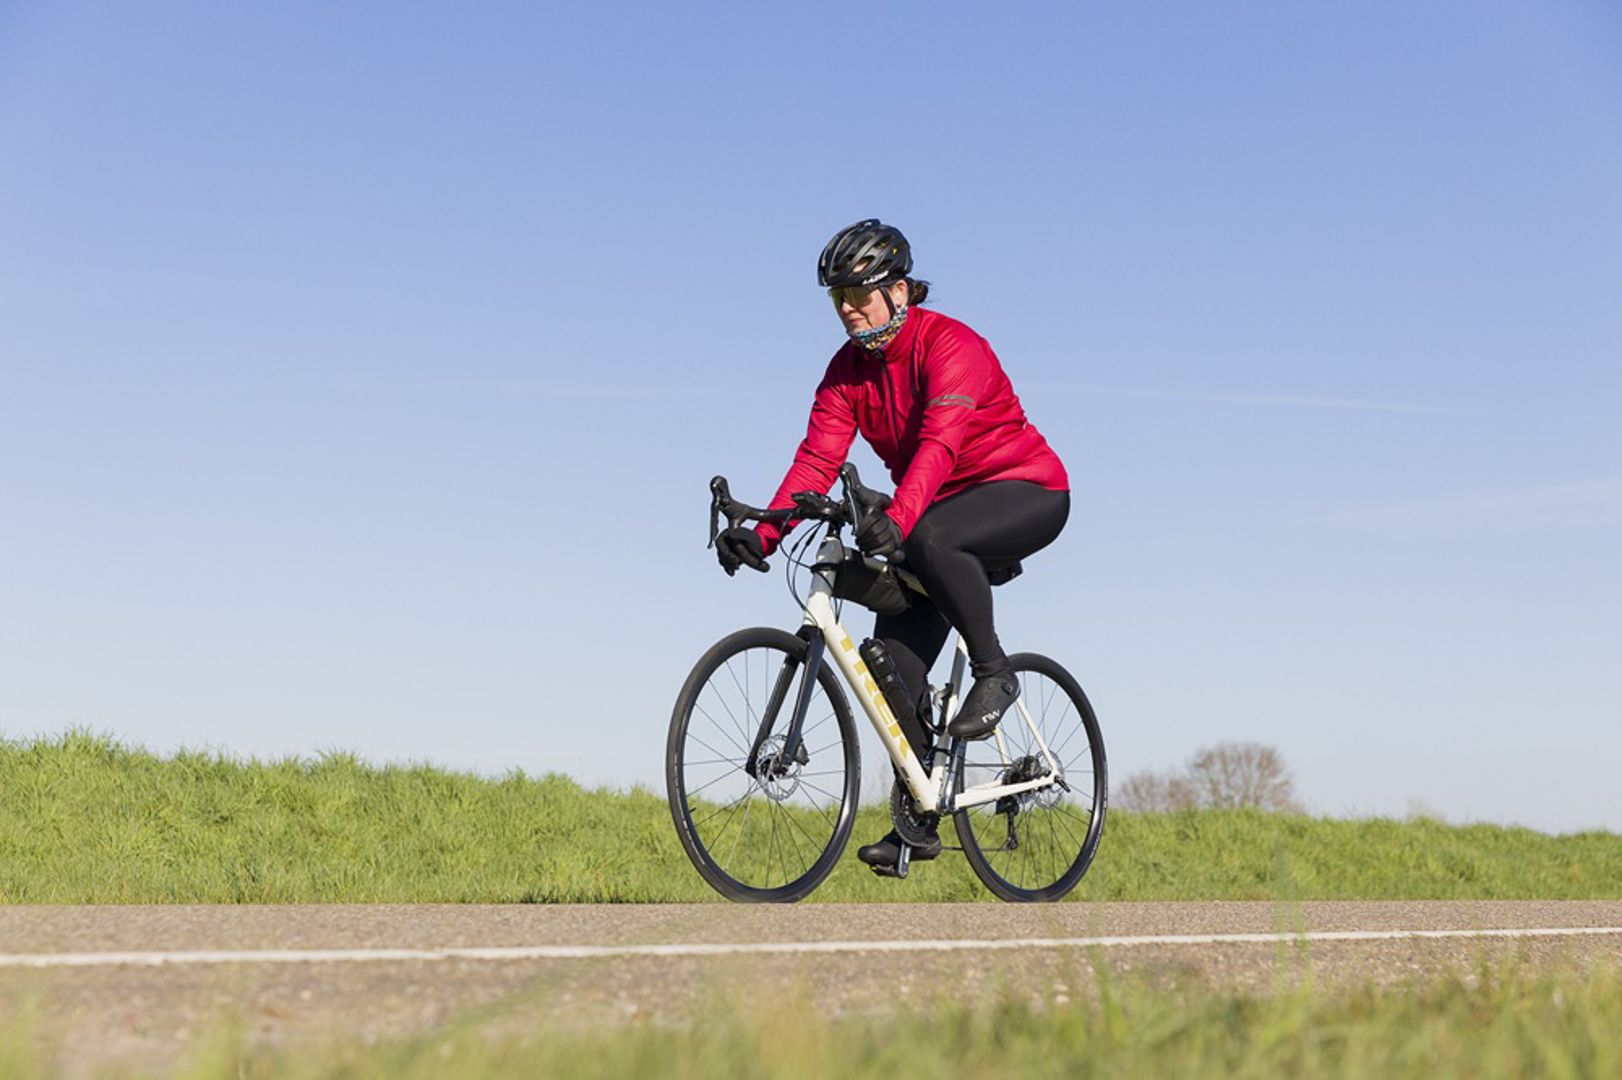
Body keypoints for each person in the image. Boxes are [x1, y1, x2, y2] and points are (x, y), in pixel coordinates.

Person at [714, 219, 1070, 869]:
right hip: (934, 514)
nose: (848, 309)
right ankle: (919, 815)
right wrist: (763, 534)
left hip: (1024, 491)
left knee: (926, 535)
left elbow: (938, 448)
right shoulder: (845, 372)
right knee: (889, 665)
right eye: (838, 298)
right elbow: (816, 461)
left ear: (900, 292)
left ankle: (997, 674)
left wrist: (899, 523)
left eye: (861, 294)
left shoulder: (952, 346)